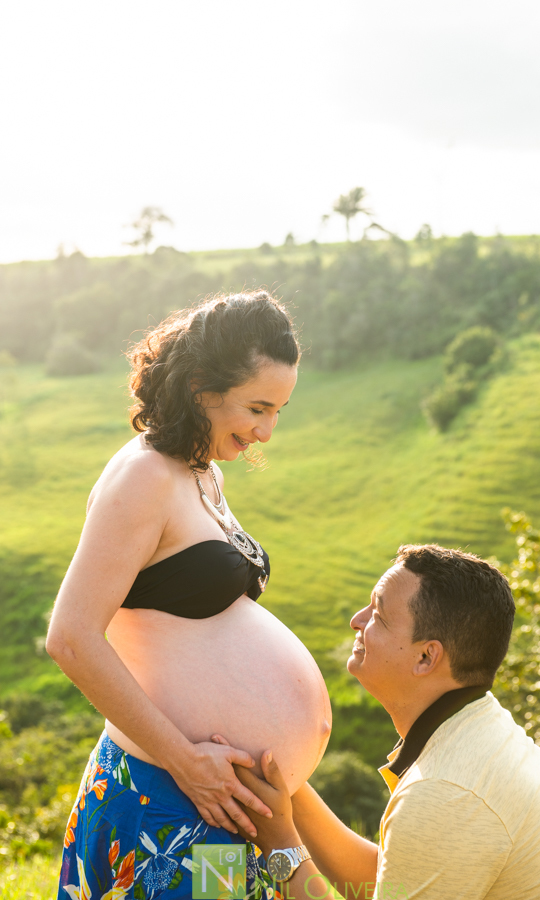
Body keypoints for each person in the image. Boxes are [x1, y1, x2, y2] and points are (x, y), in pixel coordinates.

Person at [46, 291, 332, 900]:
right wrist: (184, 760)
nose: (267, 431)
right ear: (202, 386)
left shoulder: (203, 470)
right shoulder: (144, 476)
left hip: (213, 801)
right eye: (258, 407)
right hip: (166, 796)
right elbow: (70, 638)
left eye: (278, 410)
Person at [234, 544, 540, 900]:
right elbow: (392, 882)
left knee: (214, 882)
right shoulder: (480, 729)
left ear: (426, 657)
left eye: (378, 615)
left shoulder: (445, 792)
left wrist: (280, 844)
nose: (356, 621)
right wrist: (288, 787)